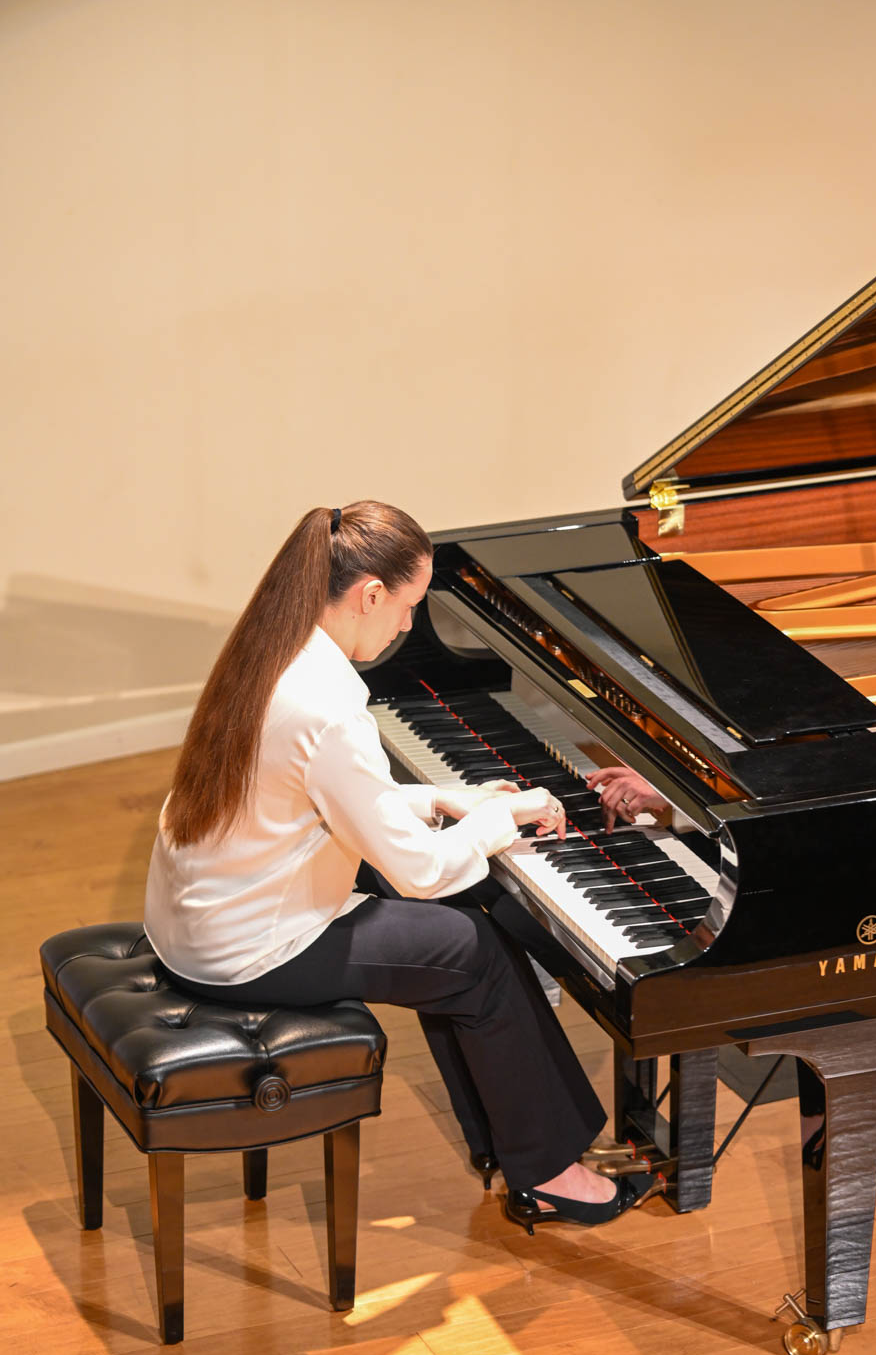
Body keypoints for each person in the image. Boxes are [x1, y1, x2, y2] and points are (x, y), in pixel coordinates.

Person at [144, 501, 655, 1232]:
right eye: (408, 606)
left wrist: (443, 799)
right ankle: (548, 1174)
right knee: (472, 953)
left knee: (453, 923)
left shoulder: (274, 649)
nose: (408, 625)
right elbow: (418, 871)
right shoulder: (327, 708)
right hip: (243, 948)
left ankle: (511, 1143)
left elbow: (320, 798)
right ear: (370, 594)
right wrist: (495, 820)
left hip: (198, 918)